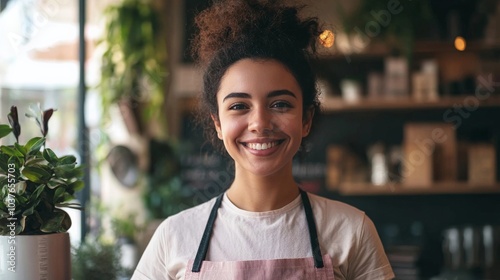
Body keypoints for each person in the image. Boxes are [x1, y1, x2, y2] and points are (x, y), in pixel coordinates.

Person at [132, 0, 395, 279]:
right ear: (218, 124)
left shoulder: (352, 230)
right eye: (239, 106)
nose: (259, 123)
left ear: (306, 120)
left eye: (280, 104)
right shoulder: (174, 237)